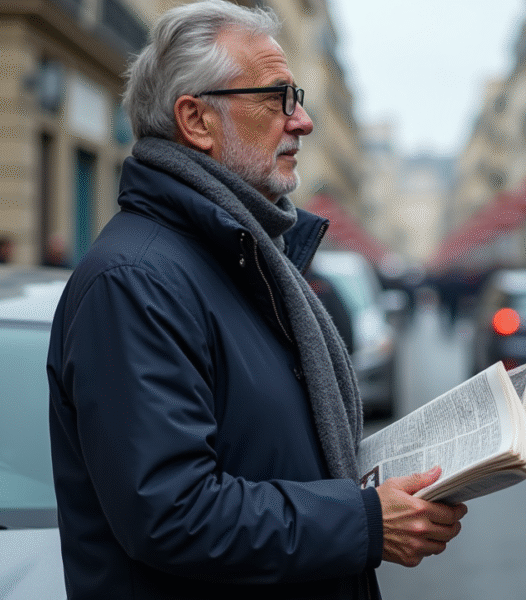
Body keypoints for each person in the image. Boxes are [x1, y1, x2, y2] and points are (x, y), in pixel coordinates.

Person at [46, 2, 467, 598]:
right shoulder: (136, 282)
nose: (303, 121)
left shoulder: (241, 262)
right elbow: (171, 512)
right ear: (196, 120)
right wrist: (366, 522)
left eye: (296, 97)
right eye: (276, 100)